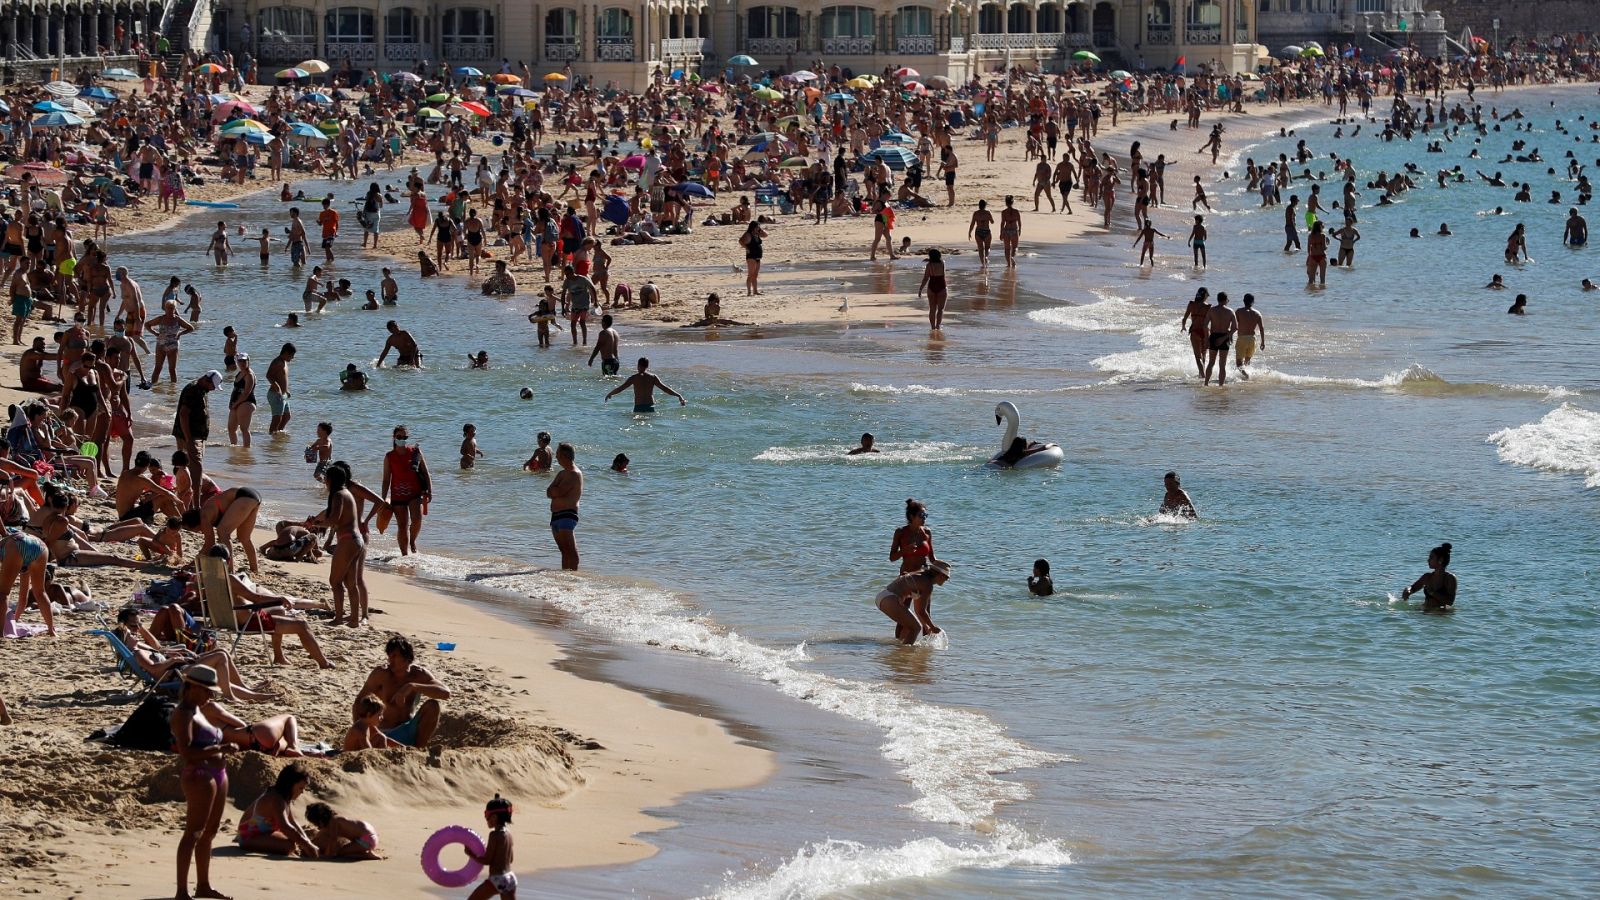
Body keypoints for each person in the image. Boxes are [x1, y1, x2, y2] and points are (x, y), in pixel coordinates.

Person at [170, 665, 237, 900]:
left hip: (216, 772)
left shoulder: (199, 710)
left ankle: (203, 885)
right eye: (207, 690)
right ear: (192, 687)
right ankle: (181, 891)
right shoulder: (184, 713)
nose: (211, 695)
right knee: (194, 832)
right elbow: (186, 752)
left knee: (209, 832)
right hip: (200, 774)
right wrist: (222, 747)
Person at [354, 635, 450, 747]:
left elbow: (446, 693)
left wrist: (412, 686)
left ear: (407, 658)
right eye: (389, 656)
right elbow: (358, 703)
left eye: (394, 656)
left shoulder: (418, 674)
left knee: (433, 706)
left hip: (409, 729)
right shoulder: (382, 674)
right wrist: (360, 732)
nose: (390, 660)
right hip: (386, 733)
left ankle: (418, 750)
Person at [237, 763, 318, 856]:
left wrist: (308, 842)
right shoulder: (275, 799)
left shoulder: (285, 797)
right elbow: (285, 826)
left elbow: (292, 822)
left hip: (264, 832)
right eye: (300, 788)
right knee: (289, 846)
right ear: (290, 785)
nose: (302, 792)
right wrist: (307, 845)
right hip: (247, 836)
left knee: (295, 840)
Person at [172, 371, 221, 508]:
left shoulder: (201, 389)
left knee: (190, 469)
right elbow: (183, 414)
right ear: (207, 380)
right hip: (190, 437)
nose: (213, 389)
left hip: (196, 437)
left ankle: (186, 501)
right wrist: (188, 440)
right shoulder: (193, 390)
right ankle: (195, 505)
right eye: (213, 386)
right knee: (194, 470)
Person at [874, 559, 949, 645]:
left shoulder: (921, 577)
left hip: (884, 596)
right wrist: (932, 627)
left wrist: (927, 627)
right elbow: (921, 611)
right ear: (939, 575)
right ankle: (905, 654)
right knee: (916, 628)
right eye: (946, 577)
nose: (946, 580)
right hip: (890, 598)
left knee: (910, 626)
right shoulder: (927, 584)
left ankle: (900, 648)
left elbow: (918, 610)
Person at [382, 425, 431, 556]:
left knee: (417, 520)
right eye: (399, 437)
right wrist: (382, 499)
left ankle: (412, 541)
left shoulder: (415, 452)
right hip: (397, 496)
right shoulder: (389, 456)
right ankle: (404, 554)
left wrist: (430, 491)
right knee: (402, 526)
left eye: (405, 437)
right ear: (394, 438)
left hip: (414, 494)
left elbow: (426, 473)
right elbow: (386, 480)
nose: (402, 439)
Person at [467, 795, 516, 899]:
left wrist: (471, 854)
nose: (486, 818)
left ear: (494, 817)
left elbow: (487, 860)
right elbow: (510, 859)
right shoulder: (509, 834)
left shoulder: (494, 835)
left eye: (487, 814)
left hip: (497, 879)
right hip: (510, 878)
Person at [547, 442, 582, 570]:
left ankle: (573, 576)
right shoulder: (562, 473)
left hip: (567, 514)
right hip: (556, 515)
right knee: (563, 550)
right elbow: (549, 491)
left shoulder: (574, 473)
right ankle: (565, 575)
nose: (556, 457)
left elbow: (559, 492)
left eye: (557, 455)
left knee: (570, 550)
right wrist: (554, 491)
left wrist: (555, 491)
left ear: (564, 456)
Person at [305, 802, 383, 860]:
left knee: (340, 853)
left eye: (315, 823)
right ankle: (365, 851)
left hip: (366, 840)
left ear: (320, 821)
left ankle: (365, 855)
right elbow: (321, 835)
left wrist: (327, 856)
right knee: (345, 850)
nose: (316, 826)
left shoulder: (333, 822)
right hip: (370, 837)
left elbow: (333, 840)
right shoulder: (336, 819)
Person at [604, 358, 686, 413]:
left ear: (638, 365)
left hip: (638, 406)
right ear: (647, 366)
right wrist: (679, 395)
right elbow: (665, 388)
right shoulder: (653, 377)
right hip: (650, 406)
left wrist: (610, 394)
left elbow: (621, 388)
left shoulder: (634, 378)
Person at [1401, 542, 1457, 613]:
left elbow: (1450, 602)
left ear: (1440, 560)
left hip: (1440, 613)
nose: (1428, 560)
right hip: (1425, 610)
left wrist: (1432, 592)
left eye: (1431, 557)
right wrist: (1407, 591)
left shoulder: (1450, 578)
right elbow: (1413, 588)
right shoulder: (1427, 577)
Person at [889, 498, 933, 575]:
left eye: (925, 515)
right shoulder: (900, 532)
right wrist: (905, 550)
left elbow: (932, 558)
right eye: (921, 515)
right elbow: (892, 558)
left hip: (924, 576)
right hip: (906, 576)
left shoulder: (927, 532)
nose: (924, 518)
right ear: (912, 516)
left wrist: (942, 568)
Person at [1204, 292, 1237, 386]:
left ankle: (1206, 384)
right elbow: (1235, 328)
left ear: (1218, 299)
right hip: (1224, 337)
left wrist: (1207, 339)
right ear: (1226, 300)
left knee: (1211, 362)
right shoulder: (1230, 311)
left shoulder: (1211, 310)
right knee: (1222, 365)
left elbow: (1205, 325)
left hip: (1213, 337)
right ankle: (1221, 386)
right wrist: (1224, 337)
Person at [1181, 288, 1212, 380]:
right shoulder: (1209, 307)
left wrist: (1183, 327)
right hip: (1205, 332)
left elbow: (1184, 318)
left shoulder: (1191, 304)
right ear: (1205, 296)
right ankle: (1202, 374)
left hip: (1195, 331)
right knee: (1204, 355)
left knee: (1198, 356)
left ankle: (1202, 376)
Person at [227, 353, 256, 447]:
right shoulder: (240, 372)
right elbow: (235, 389)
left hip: (246, 402)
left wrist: (236, 404)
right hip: (236, 402)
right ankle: (234, 447)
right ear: (237, 362)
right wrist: (231, 402)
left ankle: (246, 449)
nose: (242, 363)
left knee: (244, 428)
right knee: (231, 428)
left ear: (248, 361)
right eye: (240, 361)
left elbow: (246, 393)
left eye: (244, 361)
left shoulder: (249, 375)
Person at [1235, 294, 1266, 379]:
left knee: (1238, 363)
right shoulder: (1257, 313)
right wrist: (1263, 342)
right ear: (1253, 302)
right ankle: (1246, 376)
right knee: (1247, 360)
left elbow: (1234, 325)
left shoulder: (1238, 311)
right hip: (1252, 339)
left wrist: (1229, 335)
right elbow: (1261, 329)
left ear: (1243, 301)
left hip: (1242, 338)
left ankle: (1246, 375)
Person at [266, 343, 295, 435]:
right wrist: (277, 388)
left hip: (283, 394)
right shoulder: (277, 362)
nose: (292, 358)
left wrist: (286, 390)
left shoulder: (284, 362)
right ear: (286, 353)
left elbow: (282, 378)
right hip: (275, 394)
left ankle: (277, 433)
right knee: (277, 418)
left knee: (287, 416)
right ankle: (272, 435)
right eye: (292, 355)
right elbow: (269, 375)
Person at [916, 248, 948, 331]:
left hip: (931, 286)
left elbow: (925, 278)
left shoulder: (929, 265)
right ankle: (938, 326)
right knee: (940, 309)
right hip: (941, 286)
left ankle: (932, 328)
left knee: (932, 309)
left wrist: (920, 289)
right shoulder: (942, 263)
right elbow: (943, 275)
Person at [739, 221, 766, 296]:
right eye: (757, 227)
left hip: (758, 257)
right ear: (753, 227)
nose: (758, 228)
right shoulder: (748, 234)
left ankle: (755, 291)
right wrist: (746, 248)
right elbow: (740, 241)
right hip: (751, 256)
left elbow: (766, 235)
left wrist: (761, 230)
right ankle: (749, 292)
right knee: (750, 275)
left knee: (755, 275)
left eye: (759, 227)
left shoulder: (757, 234)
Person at [968, 199, 994, 270]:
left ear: (979, 206)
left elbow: (972, 224)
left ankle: (983, 264)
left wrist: (969, 232)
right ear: (985, 206)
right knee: (987, 247)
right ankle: (986, 257)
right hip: (986, 231)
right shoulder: (988, 213)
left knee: (980, 249)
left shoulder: (976, 213)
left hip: (978, 231)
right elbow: (992, 222)